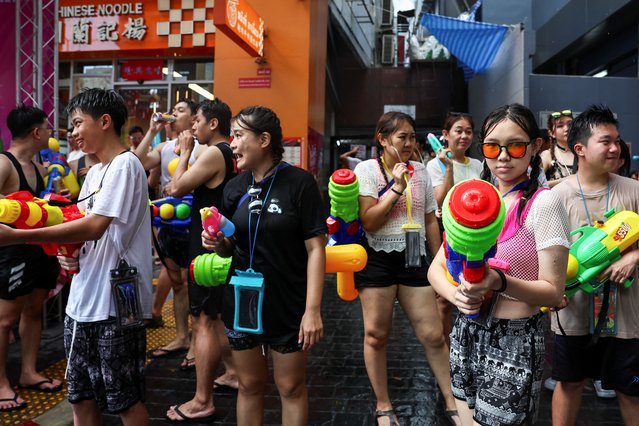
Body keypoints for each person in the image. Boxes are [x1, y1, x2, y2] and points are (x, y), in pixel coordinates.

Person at [0, 89, 153, 424]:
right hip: (81, 304)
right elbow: (77, 225)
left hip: (114, 306)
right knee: (80, 397)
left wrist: (19, 236)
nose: (73, 133)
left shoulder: (125, 166)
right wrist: (68, 255)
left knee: (125, 400)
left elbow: (94, 227)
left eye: (78, 123)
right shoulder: (95, 172)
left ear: (105, 121)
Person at [428, 103, 571, 426]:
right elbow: (435, 269)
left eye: (516, 146)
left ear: (535, 147)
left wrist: (499, 282)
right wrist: (457, 298)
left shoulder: (543, 203)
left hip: (515, 341)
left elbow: (552, 292)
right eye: (493, 146)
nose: (503, 157)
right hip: (466, 332)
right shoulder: (471, 198)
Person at [201, 106, 326, 425]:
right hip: (242, 300)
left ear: (265, 139)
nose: (233, 143)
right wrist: (219, 243)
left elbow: (315, 249)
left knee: (291, 386)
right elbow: (233, 246)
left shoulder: (300, 183)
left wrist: (312, 310)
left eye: (239, 135)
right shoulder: (234, 188)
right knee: (250, 385)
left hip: (288, 303)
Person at [352, 111, 458, 426]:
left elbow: (429, 219)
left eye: (413, 136)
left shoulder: (422, 171)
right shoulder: (367, 170)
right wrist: (397, 187)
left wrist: (441, 261)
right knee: (376, 334)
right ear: (382, 140)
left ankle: (452, 399)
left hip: (414, 256)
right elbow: (369, 221)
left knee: (433, 334)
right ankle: (384, 405)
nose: (410, 143)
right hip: (376, 258)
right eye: (402, 137)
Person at [550, 105, 639, 425]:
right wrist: (549, 289)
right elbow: (543, 252)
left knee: (631, 390)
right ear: (580, 149)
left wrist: (634, 256)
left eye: (617, 140)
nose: (616, 148)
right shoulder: (556, 196)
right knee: (570, 382)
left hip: (627, 315)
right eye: (606, 141)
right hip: (572, 312)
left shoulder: (633, 190)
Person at [164, 98, 238, 422]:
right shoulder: (231, 153)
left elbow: (176, 188)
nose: (191, 127)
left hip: (208, 248)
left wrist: (183, 152)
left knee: (204, 322)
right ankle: (233, 373)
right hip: (220, 243)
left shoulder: (212, 152)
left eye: (197, 120)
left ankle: (201, 399)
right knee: (217, 317)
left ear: (212, 124)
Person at [0, 105, 63, 412]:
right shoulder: (4, 164)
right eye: (48, 128)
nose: (50, 134)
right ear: (37, 132)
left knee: (34, 311)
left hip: (39, 248)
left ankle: (28, 371)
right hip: (12, 251)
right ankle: (1, 383)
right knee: (5, 320)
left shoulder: (37, 167)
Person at [134, 100, 197, 366]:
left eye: (181, 110)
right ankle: (183, 336)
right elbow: (136, 160)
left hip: (195, 224)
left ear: (195, 118)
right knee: (178, 283)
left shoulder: (202, 148)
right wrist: (151, 130)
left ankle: (198, 340)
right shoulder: (164, 147)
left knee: (195, 283)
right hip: (169, 226)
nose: (174, 112)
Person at [426, 112, 483, 348]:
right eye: (458, 130)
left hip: (476, 234)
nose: (464, 136)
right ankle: (449, 350)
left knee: (474, 289)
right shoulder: (434, 164)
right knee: (444, 298)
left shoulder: (479, 164)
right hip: (449, 230)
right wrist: (448, 167)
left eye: (468, 131)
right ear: (445, 135)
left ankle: (471, 344)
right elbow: (439, 201)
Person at [541, 109, 574, 187]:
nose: (566, 129)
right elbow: (536, 184)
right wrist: (565, 180)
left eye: (570, 124)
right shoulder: (548, 155)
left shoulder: (583, 152)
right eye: (560, 126)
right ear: (551, 133)